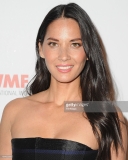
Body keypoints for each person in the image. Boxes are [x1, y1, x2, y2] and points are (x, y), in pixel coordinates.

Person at [0, 2, 127, 160]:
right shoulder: (14, 111)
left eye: (75, 44)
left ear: (88, 51)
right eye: (54, 44)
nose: (64, 56)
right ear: (40, 49)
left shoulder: (107, 116)